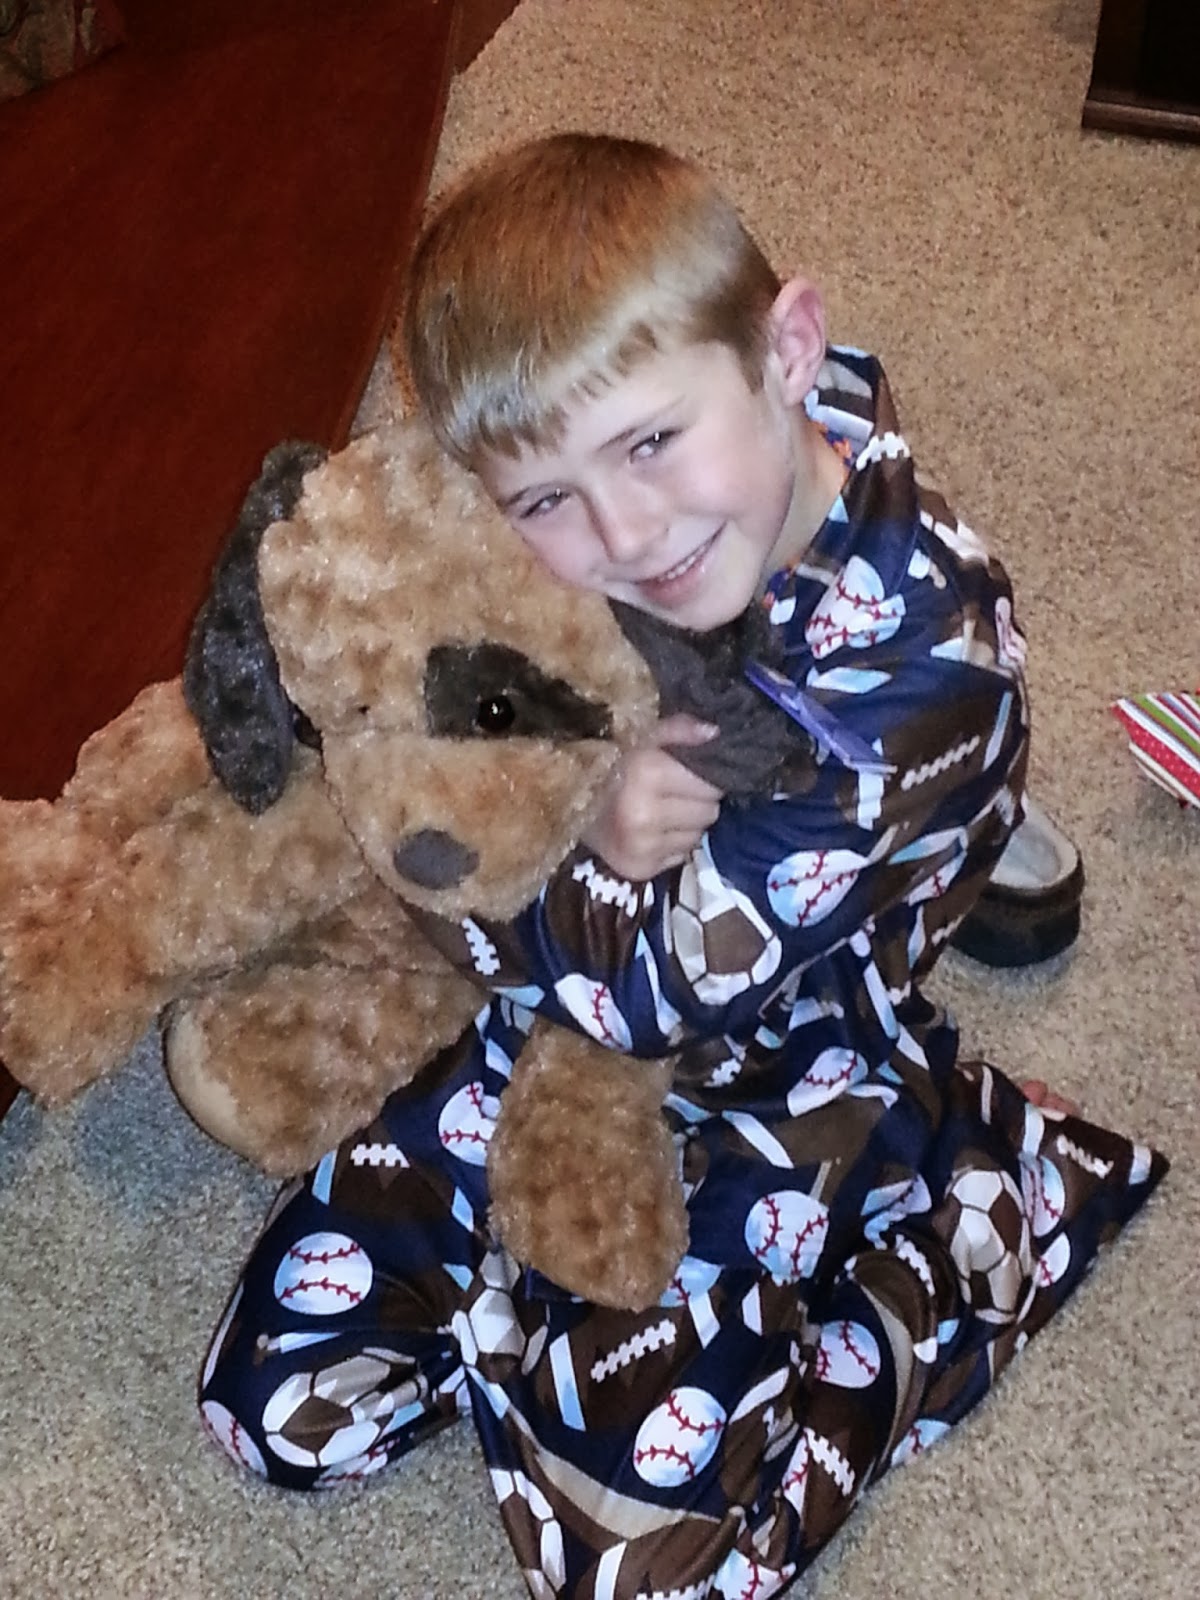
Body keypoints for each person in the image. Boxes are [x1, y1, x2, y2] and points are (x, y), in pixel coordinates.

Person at [198, 134, 1164, 1598]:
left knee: (638, 1576)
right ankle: (532, 1327)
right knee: (275, 1416)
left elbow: (648, 995)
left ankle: (966, 1221)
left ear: (788, 349)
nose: (626, 535)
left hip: (781, 1064)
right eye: (543, 500)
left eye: (651, 444)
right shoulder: (672, 495)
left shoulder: (921, 672)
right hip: (547, 1018)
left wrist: (546, 850)